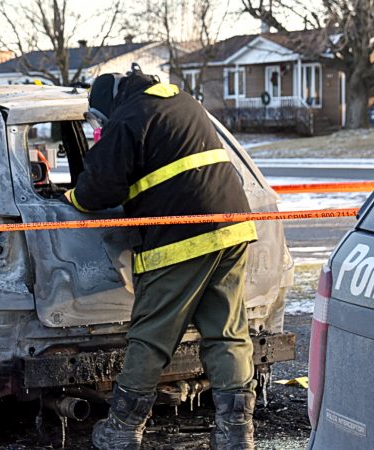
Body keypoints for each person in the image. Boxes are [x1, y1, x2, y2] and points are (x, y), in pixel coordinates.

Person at [62, 65, 258, 450]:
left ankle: (122, 429)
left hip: (180, 238)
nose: (99, 127)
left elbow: (97, 191)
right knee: (227, 333)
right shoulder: (183, 102)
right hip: (233, 227)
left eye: (98, 120)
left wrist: (70, 198)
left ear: (111, 104)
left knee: (152, 336)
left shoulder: (128, 117)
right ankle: (237, 435)